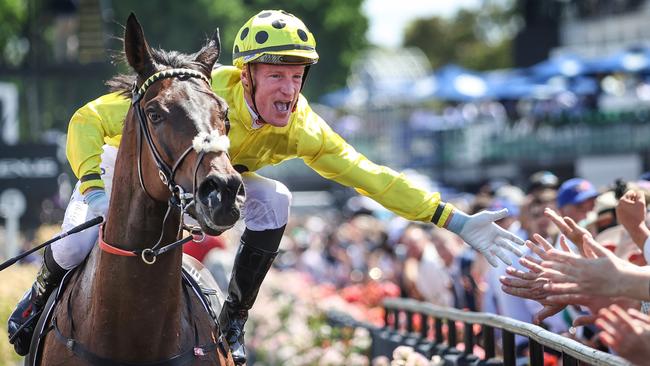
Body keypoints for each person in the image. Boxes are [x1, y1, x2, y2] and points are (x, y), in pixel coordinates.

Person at [7, 10, 525, 363]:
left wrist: (452, 220)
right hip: (132, 167)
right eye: (276, 75)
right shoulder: (198, 96)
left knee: (277, 197)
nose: (289, 89)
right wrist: (94, 187)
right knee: (77, 238)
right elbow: (85, 120)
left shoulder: (305, 128)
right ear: (247, 75)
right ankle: (39, 297)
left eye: (298, 76)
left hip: (212, 179)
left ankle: (234, 316)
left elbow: (373, 177)